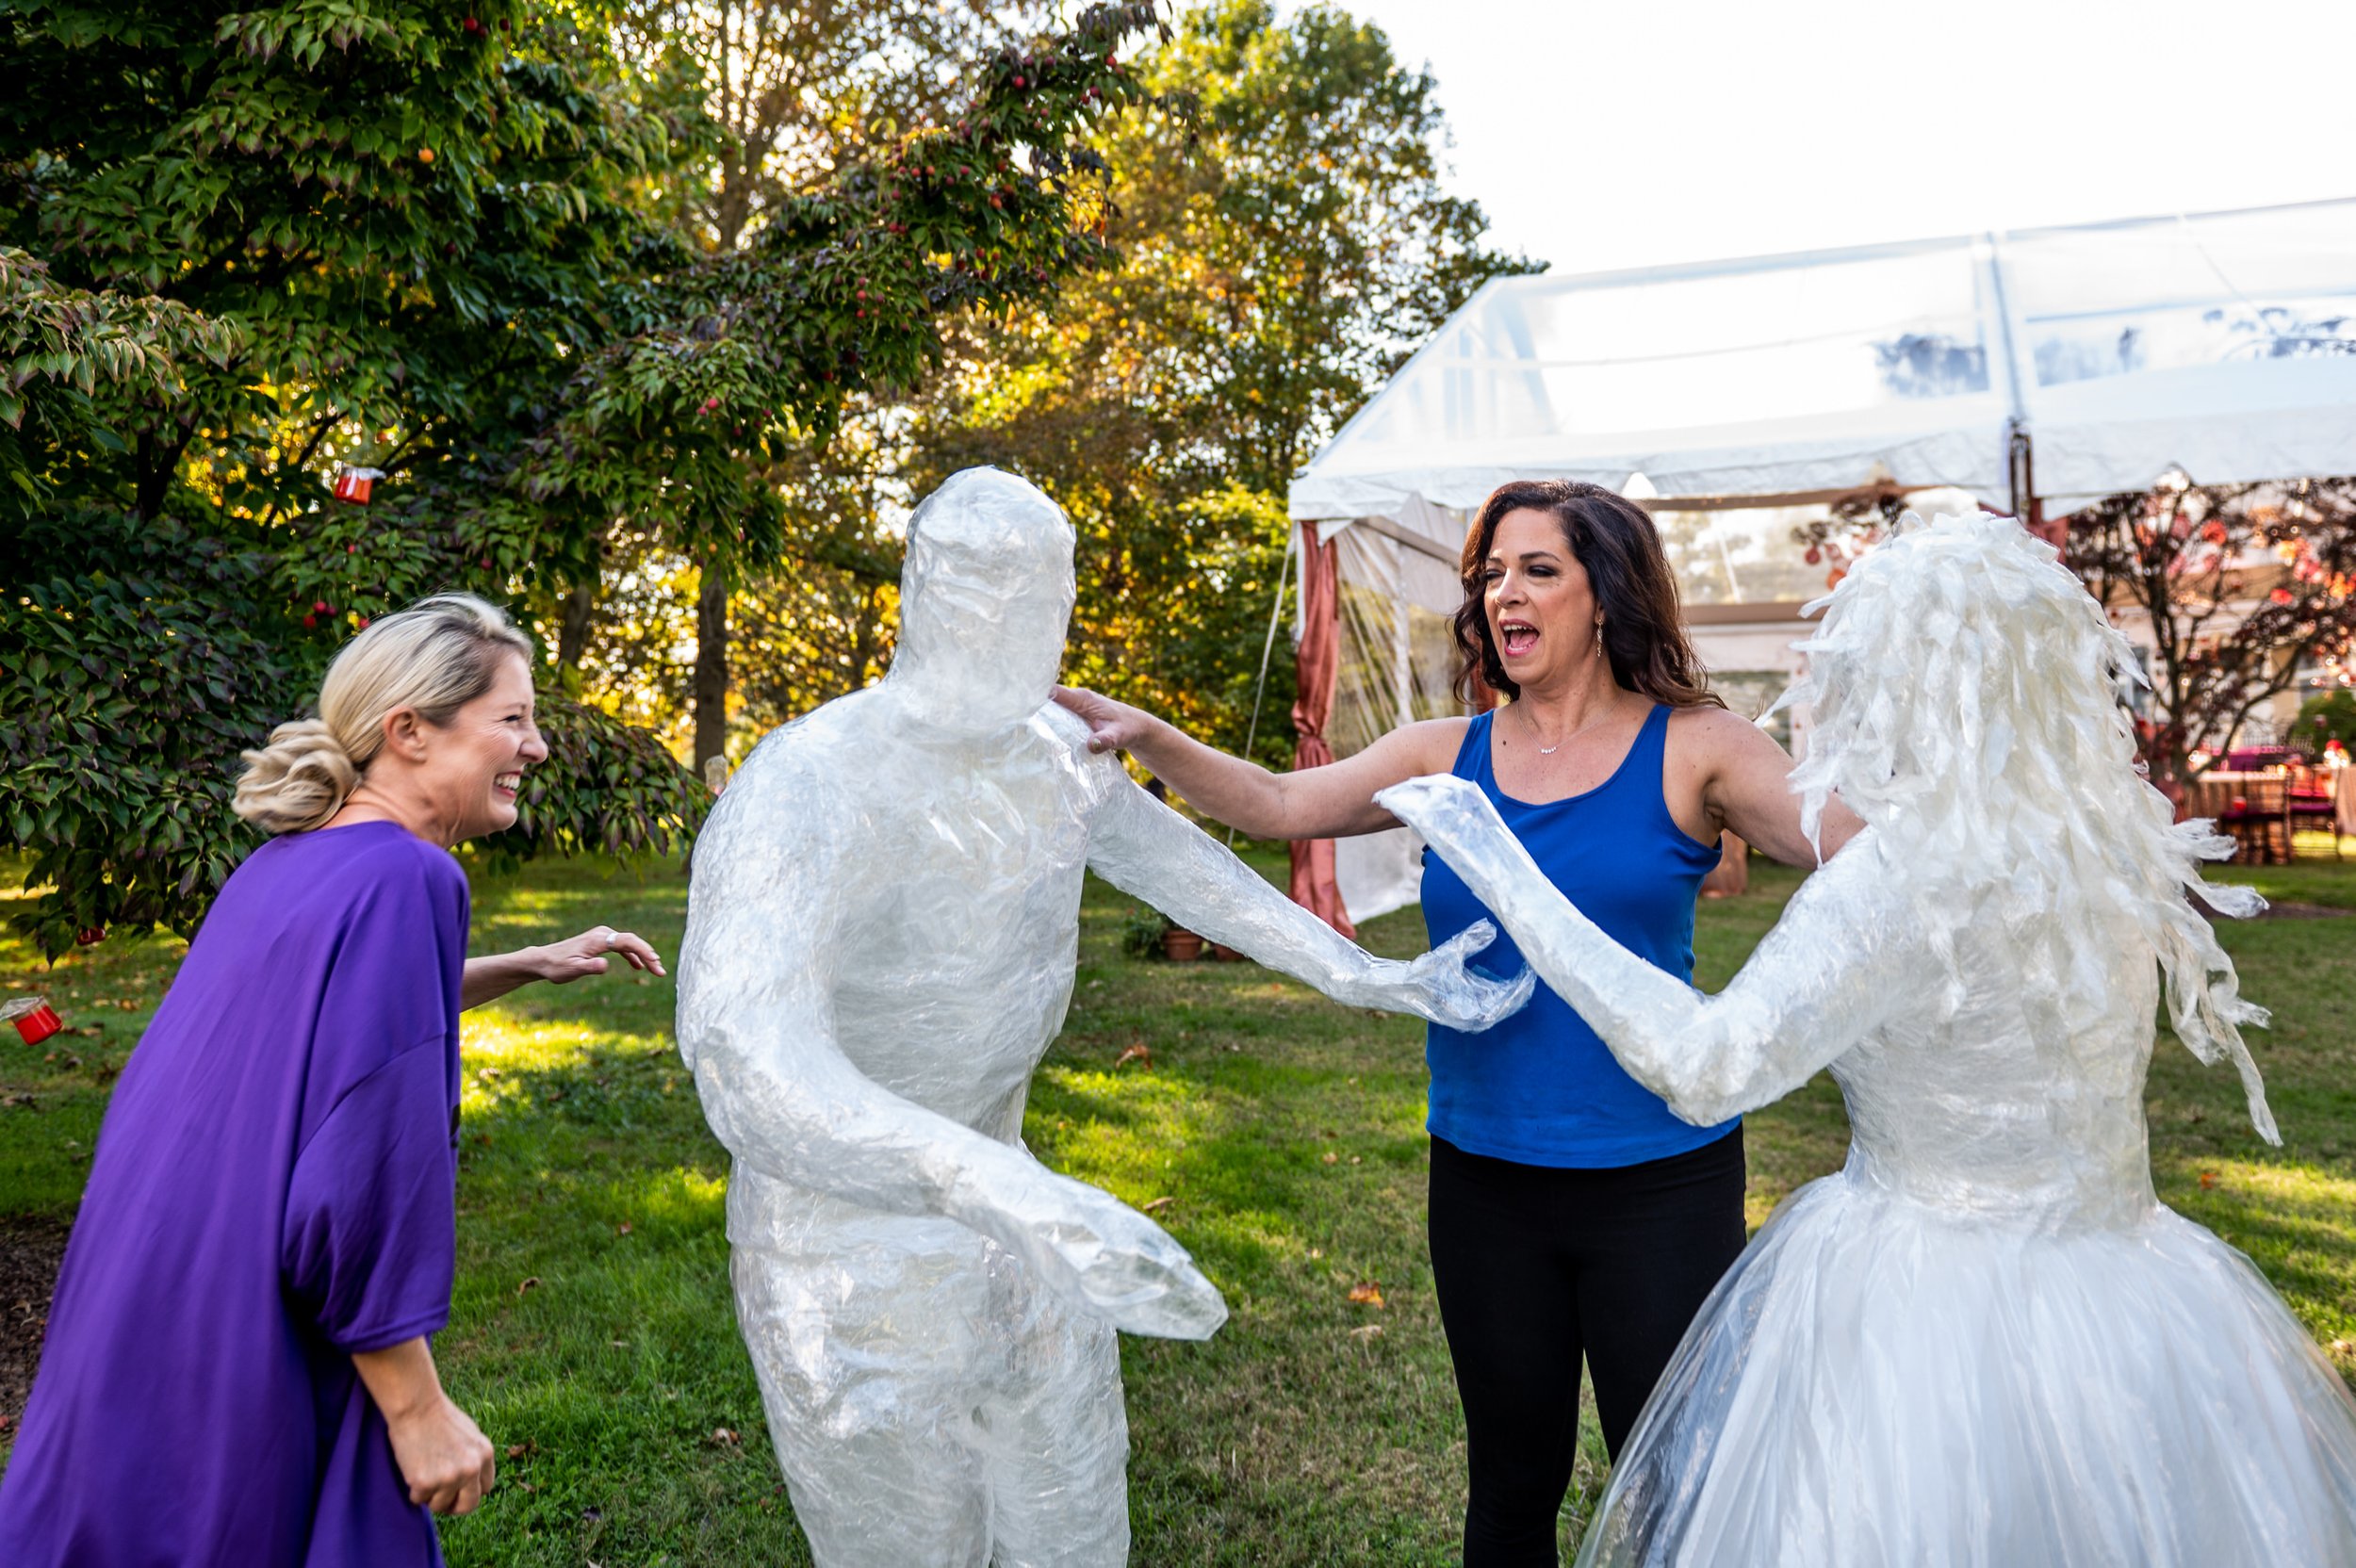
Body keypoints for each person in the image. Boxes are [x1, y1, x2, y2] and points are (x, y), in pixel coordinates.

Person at [1379, 510, 2356, 1567]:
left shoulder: (1895, 881)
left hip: (1909, 1303)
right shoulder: (2103, 857)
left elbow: (1712, 1066)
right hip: (2130, 1301)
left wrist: (1515, 880)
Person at [672, 467, 1530, 1568]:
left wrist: (1364, 974)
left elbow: (1186, 868)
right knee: (914, 1543)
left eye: (1042, 587)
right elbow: (749, 1058)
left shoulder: (1050, 751)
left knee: (1072, 1521)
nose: (1017, 615)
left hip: (1020, 1224)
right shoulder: (809, 783)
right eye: (990, 584)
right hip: (845, 1259)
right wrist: (999, 1188)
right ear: (922, 586)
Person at [1056, 479, 1861, 1563]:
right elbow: (1281, 803)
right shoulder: (1444, 751)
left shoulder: (1698, 747)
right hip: (1485, 1183)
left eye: (1537, 569)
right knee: (1511, 1481)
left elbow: (1871, 861)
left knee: (1672, 1486)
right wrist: (1149, 733)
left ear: (1604, 593)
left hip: (1661, 1186)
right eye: (1488, 574)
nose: (1502, 594)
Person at [0, 595, 666, 1567]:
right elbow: (359, 1176)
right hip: (248, 1320)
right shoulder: (411, 878)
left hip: (143, 1284)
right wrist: (418, 1405)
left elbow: (323, 1029)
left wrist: (528, 961)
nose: (539, 746)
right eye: (512, 718)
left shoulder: (287, 861)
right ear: (410, 732)